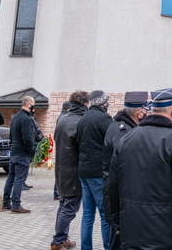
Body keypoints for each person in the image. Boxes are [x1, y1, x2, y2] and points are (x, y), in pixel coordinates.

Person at [106, 88, 172, 250]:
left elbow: (112, 185)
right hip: (168, 235)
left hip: (132, 232)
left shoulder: (127, 138)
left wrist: (117, 222)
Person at [102, 91, 147, 250]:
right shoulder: (126, 132)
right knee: (118, 241)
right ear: (140, 113)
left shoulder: (116, 126)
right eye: (145, 111)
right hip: (121, 199)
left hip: (116, 196)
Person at [51, 90, 89, 250]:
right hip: (73, 170)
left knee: (64, 204)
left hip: (62, 168)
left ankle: (62, 237)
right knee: (69, 208)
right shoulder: (80, 121)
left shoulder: (63, 118)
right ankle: (58, 241)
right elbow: (83, 147)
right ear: (85, 104)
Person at [76, 90, 112, 250]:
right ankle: (108, 246)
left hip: (84, 170)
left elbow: (78, 141)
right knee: (105, 214)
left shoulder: (83, 118)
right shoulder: (104, 119)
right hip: (98, 172)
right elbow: (111, 142)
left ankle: (86, 247)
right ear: (103, 103)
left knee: (88, 214)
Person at [3, 95, 38, 213]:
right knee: (19, 179)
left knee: (11, 178)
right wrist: (32, 150)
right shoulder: (26, 119)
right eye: (33, 104)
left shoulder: (15, 117)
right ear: (28, 104)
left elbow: (11, 136)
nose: (35, 107)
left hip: (14, 151)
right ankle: (16, 205)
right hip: (22, 153)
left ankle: (6, 202)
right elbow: (28, 138)